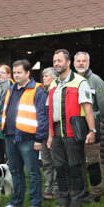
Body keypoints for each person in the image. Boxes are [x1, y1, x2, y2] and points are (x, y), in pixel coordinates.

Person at [45, 49, 96, 207]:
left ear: (68, 63)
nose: (56, 64)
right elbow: (51, 112)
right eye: (54, 61)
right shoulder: (53, 85)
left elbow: (88, 108)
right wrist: (51, 136)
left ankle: (76, 205)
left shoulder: (80, 82)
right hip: (57, 133)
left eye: (59, 60)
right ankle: (62, 202)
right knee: (59, 168)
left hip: (73, 132)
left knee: (75, 168)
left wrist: (92, 130)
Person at [1, 59, 47, 207]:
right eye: (14, 73)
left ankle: (35, 204)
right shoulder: (11, 89)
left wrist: (39, 138)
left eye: (19, 72)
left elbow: (42, 116)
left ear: (28, 73)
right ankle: (16, 201)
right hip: (10, 135)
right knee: (15, 170)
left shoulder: (37, 90)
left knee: (33, 172)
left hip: (28, 138)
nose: (16, 75)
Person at [74, 51, 104, 203]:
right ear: (73, 63)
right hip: (75, 127)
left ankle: (96, 191)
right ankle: (83, 189)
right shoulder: (72, 80)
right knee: (78, 160)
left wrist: (96, 119)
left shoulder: (96, 81)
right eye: (78, 61)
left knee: (93, 160)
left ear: (88, 63)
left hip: (91, 127)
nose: (81, 64)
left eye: (84, 61)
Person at [41, 67, 59, 200]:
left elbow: (53, 116)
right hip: (43, 132)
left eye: (46, 76)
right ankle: (48, 186)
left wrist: (50, 136)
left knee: (56, 161)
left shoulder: (56, 91)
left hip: (53, 132)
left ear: (54, 78)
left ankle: (56, 188)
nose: (43, 78)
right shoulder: (44, 92)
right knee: (46, 161)